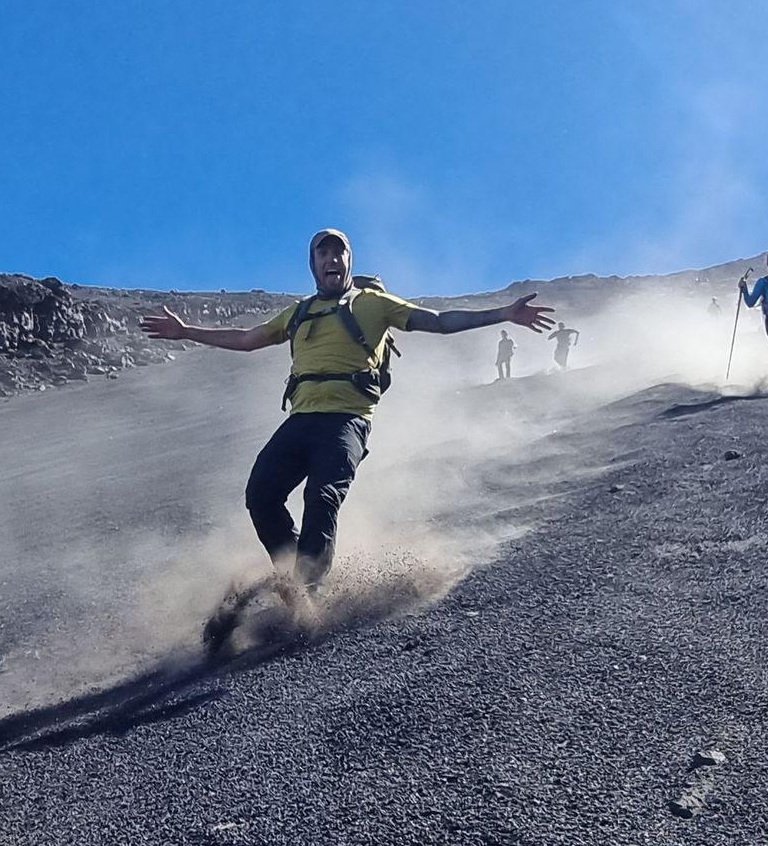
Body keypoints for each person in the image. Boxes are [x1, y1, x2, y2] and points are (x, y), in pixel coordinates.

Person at [142, 228, 554, 588]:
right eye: (323, 253)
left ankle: (309, 590)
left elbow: (440, 321)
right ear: (313, 264)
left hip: (346, 422)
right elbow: (248, 339)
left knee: (322, 496)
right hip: (300, 420)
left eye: (338, 252)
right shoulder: (299, 312)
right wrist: (186, 332)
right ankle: (291, 578)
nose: (331, 258)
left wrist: (503, 314)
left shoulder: (374, 303)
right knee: (260, 494)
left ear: (349, 261)